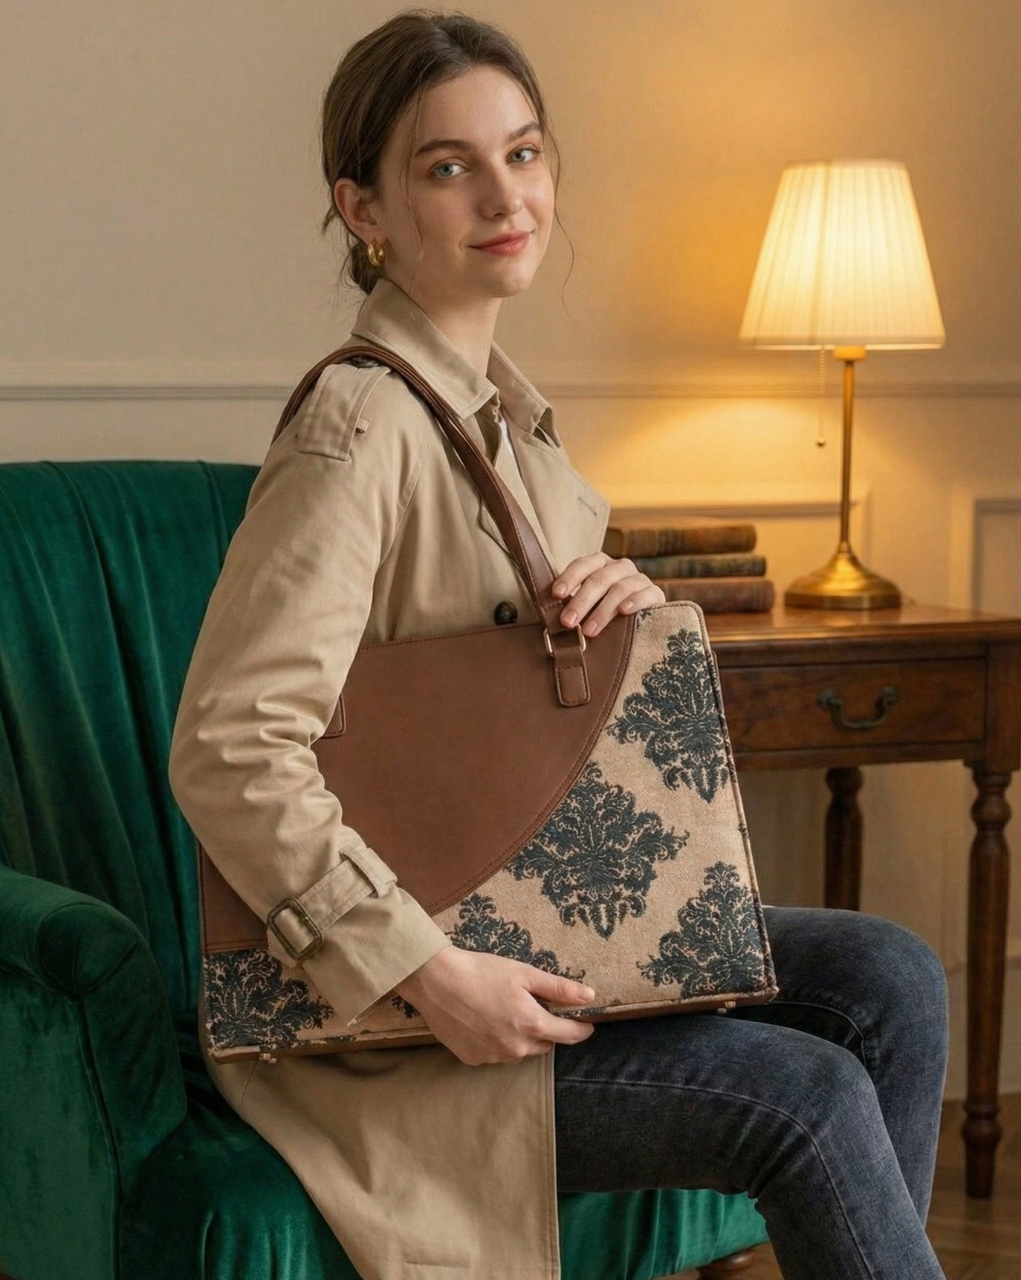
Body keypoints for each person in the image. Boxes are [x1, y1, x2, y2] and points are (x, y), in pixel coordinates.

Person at [169, 11, 949, 1280]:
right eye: (447, 166)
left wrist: (620, 608)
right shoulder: (358, 433)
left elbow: (514, 702)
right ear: (361, 208)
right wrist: (426, 972)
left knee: (891, 974)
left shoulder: (504, 427)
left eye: (522, 153)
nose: (503, 194)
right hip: (400, 1027)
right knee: (801, 1094)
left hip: (532, 934)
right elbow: (225, 749)